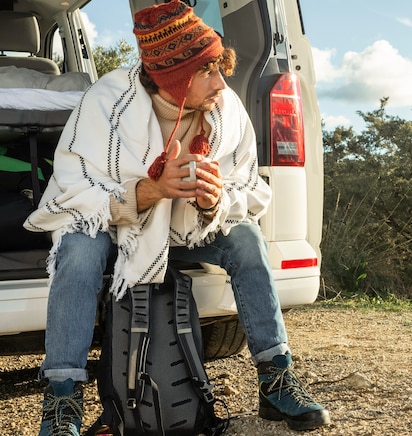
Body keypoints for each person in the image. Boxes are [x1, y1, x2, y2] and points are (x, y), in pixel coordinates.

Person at [26, 1, 330, 435]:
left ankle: (276, 380)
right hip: (119, 224)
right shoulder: (108, 104)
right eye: (208, 72)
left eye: (221, 68)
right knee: (76, 249)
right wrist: (151, 190)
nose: (222, 83)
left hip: (191, 225)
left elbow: (246, 185)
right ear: (174, 77)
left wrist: (213, 201)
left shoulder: (226, 110)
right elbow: (74, 193)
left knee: (246, 241)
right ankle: (62, 401)